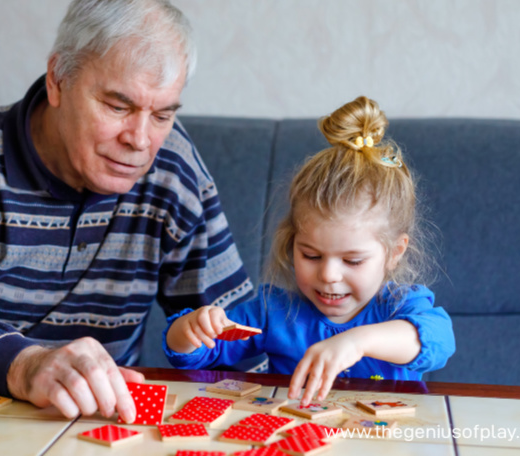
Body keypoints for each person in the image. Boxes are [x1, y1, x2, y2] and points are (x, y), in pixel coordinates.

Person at [0, 0, 253, 423]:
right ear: (58, 80)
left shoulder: (172, 166)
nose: (141, 141)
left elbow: (239, 334)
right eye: (118, 107)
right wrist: (24, 365)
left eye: (162, 114)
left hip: (94, 423)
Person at [163, 96, 455, 406]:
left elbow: (439, 340)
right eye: (311, 256)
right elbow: (194, 357)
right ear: (292, 244)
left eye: (352, 260)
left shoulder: (399, 306)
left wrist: (357, 342)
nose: (328, 275)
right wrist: (189, 330)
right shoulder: (272, 312)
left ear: (394, 252)